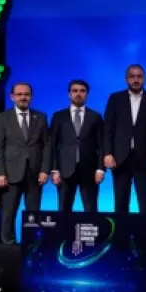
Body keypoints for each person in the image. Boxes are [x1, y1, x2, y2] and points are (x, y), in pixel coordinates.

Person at [0, 82, 50, 245]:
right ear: (12, 97)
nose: (23, 97)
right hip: (10, 172)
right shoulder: (2, 118)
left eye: (26, 94)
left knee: (34, 212)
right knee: (9, 212)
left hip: (35, 173)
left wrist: (45, 170)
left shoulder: (41, 117)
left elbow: (47, 145)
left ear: (31, 97)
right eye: (19, 94)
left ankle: (31, 243)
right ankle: (9, 244)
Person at [102, 64, 146, 214]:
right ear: (126, 79)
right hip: (120, 159)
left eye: (139, 76)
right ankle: (122, 231)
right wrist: (108, 153)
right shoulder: (115, 99)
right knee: (120, 204)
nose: (136, 80)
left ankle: (145, 231)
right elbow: (108, 128)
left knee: (145, 205)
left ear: (144, 79)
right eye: (132, 76)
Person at [48, 79, 105, 213]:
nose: (78, 94)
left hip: (90, 171)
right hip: (64, 171)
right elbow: (52, 144)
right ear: (69, 94)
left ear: (87, 94)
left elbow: (102, 144)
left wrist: (100, 169)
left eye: (82, 91)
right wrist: (54, 170)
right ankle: (64, 229)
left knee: (91, 210)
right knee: (64, 210)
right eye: (75, 91)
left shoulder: (95, 117)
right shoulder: (58, 116)